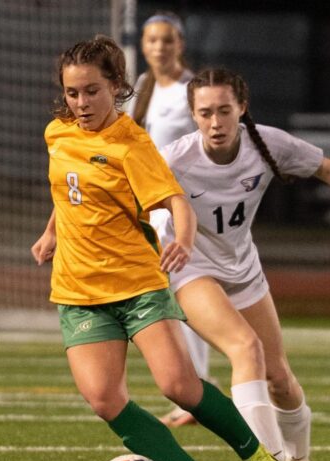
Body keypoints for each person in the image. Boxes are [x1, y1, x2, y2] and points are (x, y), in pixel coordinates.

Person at [31, 37, 294, 461]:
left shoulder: (133, 145)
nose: (82, 103)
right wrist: (50, 234)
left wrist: (186, 242)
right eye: (72, 94)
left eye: (92, 91)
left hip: (137, 287)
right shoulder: (57, 134)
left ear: (116, 87)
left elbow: (176, 203)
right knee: (104, 398)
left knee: (178, 385)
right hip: (78, 292)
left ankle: (261, 458)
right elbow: (66, 190)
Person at [154, 68, 330, 461]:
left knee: (279, 377)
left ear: (242, 108)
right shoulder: (174, 159)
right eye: (205, 113)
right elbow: (116, 193)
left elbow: (328, 170)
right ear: (192, 115)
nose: (216, 122)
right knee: (245, 347)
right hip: (192, 269)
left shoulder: (268, 144)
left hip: (244, 269)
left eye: (224, 110)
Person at [124, 12, 214, 428]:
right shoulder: (141, 87)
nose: (159, 47)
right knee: (170, 295)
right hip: (152, 205)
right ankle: (191, 387)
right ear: (143, 46)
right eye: (152, 40)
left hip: (182, 205)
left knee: (186, 292)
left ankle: (195, 390)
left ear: (180, 44)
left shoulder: (190, 90)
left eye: (167, 40)